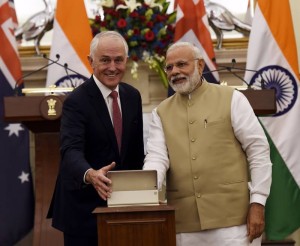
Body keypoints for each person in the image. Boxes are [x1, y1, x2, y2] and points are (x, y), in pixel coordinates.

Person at [143, 41, 272, 246]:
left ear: (200, 66)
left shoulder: (232, 98)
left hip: (233, 223)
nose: (175, 71)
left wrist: (258, 202)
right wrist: (146, 188)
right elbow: (156, 158)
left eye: (182, 64)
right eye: (169, 67)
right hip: (183, 224)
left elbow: (258, 151)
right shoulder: (161, 112)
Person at [47, 31, 145, 246]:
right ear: (91, 61)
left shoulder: (132, 96)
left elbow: (136, 151)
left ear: (126, 61)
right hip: (84, 210)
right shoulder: (76, 101)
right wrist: (90, 174)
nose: (112, 67)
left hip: (125, 206)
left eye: (118, 60)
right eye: (105, 60)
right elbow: (70, 150)